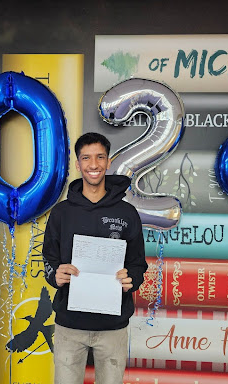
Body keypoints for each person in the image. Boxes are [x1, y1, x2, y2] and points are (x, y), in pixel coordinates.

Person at [42, 132, 148, 384]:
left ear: (108, 162)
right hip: (70, 325)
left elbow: (138, 264)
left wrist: (131, 278)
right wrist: (55, 274)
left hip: (113, 326)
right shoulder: (61, 213)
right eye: (86, 158)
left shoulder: (127, 213)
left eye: (100, 157)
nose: (93, 165)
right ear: (77, 164)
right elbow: (48, 258)